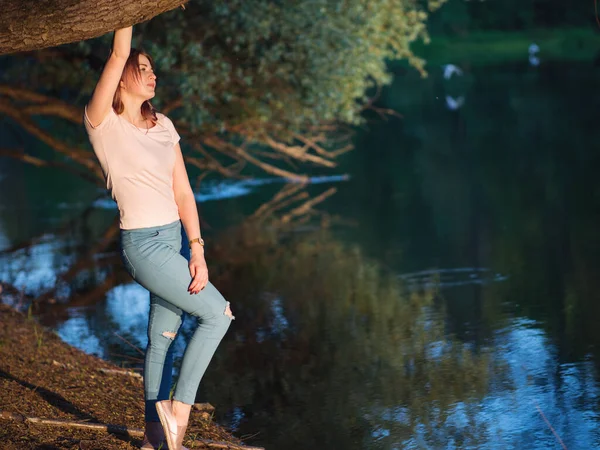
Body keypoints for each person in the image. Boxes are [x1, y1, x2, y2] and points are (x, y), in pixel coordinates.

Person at [83, 26, 235, 450]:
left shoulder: (164, 124)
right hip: (143, 244)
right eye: (144, 68)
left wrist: (198, 249)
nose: (153, 75)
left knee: (163, 340)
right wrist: (127, 14)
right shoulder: (102, 122)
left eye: (153, 70)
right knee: (217, 315)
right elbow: (117, 53)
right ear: (124, 75)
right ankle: (178, 411)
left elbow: (183, 192)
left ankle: (157, 441)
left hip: (174, 239)